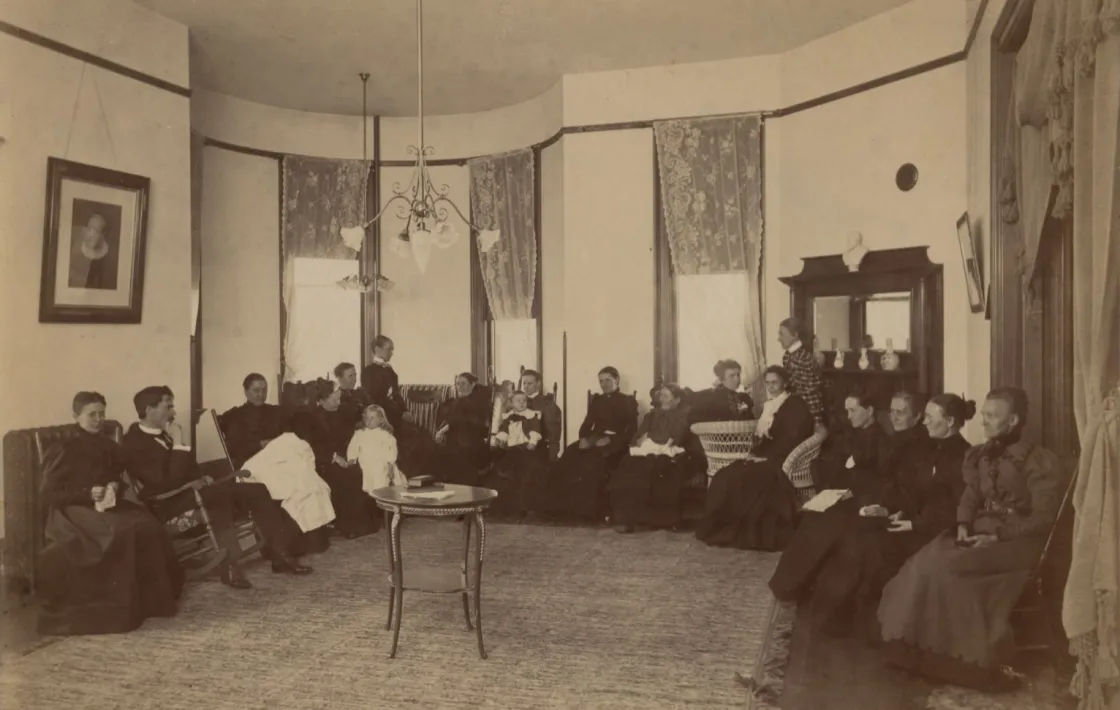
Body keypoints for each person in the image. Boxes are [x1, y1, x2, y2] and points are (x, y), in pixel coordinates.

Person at [877, 387, 1063, 692]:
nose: (984, 422)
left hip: (1018, 541)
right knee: (928, 558)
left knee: (951, 566)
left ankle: (966, 665)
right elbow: (970, 496)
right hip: (981, 530)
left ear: (1013, 420)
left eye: (992, 416)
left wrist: (998, 535)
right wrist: (963, 524)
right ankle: (918, 653)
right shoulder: (981, 454)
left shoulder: (1038, 460)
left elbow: (1043, 518)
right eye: (984, 415)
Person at [795, 394, 973, 639]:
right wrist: (894, 510)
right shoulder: (930, 449)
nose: (926, 422)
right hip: (911, 520)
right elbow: (914, 490)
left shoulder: (965, 457)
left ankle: (864, 625)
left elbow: (956, 506)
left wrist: (914, 522)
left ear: (950, 421)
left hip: (936, 531)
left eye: (930, 418)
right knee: (855, 535)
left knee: (869, 545)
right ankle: (835, 617)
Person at [121, 385, 311, 589]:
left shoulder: (164, 434)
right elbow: (165, 481)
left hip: (195, 492)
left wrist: (202, 477)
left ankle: (280, 554)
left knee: (257, 489)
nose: (173, 412)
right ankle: (229, 567)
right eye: (168, 407)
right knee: (218, 497)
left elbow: (187, 468)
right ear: (149, 410)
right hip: (168, 502)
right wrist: (178, 442)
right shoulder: (133, 442)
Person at [36, 392, 183, 636]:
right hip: (72, 510)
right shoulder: (64, 448)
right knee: (119, 531)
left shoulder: (108, 445)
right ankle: (117, 611)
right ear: (76, 416)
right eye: (91, 415)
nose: (98, 420)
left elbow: (116, 475)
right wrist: (85, 494)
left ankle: (153, 603)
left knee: (146, 523)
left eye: (101, 414)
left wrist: (114, 485)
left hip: (104, 504)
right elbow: (49, 493)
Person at [767, 390, 893, 602]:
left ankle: (800, 585)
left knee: (824, 523)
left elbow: (882, 480)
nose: (849, 415)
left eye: (853, 410)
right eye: (847, 411)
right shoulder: (853, 434)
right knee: (811, 516)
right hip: (845, 493)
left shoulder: (882, 441)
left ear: (869, 411)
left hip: (864, 500)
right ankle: (792, 584)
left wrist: (853, 492)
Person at [695, 366, 815, 550]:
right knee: (725, 475)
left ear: (785, 382)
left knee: (746, 479)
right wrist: (754, 453)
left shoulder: (795, 404)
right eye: (768, 383)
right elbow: (764, 438)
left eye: (775, 382)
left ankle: (741, 532)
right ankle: (719, 528)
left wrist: (766, 457)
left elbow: (793, 437)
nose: (771, 387)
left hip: (782, 457)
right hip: (766, 455)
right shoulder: (770, 405)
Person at [530, 366, 639, 520]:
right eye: (601, 381)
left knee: (592, 462)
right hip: (595, 439)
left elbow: (632, 430)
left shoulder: (628, 401)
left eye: (608, 380)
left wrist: (611, 439)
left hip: (615, 443)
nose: (604, 384)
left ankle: (586, 511)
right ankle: (560, 508)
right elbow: (587, 424)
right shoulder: (598, 400)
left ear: (617, 380)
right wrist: (583, 438)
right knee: (570, 454)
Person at [294, 379, 381, 538]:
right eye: (334, 399)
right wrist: (333, 457)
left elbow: (354, 433)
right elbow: (309, 446)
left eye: (339, 398)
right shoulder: (311, 417)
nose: (338, 402)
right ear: (321, 400)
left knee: (367, 467)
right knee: (347, 476)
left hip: (349, 453)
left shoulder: (343, 411)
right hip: (324, 461)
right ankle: (350, 525)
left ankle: (369, 519)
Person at [608, 383, 698, 533]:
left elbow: (676, 438)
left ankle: (658, 519)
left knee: (658, 467)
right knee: (628, 464)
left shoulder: (684, 416)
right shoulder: (651, 415)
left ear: (677, 400)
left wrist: (649, 437)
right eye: (660, 395)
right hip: (647, 451)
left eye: (666, 396)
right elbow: (636, 438)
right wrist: (642, 439)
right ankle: (625, 517)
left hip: (673, 453)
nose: (661, 398)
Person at [481, 391, 547, 519]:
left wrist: (533, 442)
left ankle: (505, 469)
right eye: (518, 401)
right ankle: (497, 500)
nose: (522, 403)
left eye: (524, 400)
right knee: (497, 455)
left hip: (526, 446)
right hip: (511, 446)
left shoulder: (531, 415)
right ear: (511, 403)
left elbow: (535, 430)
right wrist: (501, 439)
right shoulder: (509, 417)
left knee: (516, 455)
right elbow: (504, 431)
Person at [430, 373, 494, 485]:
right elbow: (450, 420)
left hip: (472, 439)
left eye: (463, 383)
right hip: (457, 438)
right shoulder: (456, 401)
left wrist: (441, 431)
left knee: (458, 454)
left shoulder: (477, 402)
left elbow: (459, 420)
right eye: (458, 384)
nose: (460, 386)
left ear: (473, 384)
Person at [218, 373, 287, 469]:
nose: (261, 394)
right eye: (256, 390)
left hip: (278, 459)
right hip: (252, 464)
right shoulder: (235, 416)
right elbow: (235, 449)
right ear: (246, 392)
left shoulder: (275, 411)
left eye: (264, 390)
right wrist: (260, 444)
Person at [778, 317, 826, 431]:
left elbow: (807, 393)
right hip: (796, 408)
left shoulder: (802, 357)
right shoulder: (788, 355)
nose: (778, 338)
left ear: (794, 336)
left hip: (807, 412)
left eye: (781, 334)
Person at [346, 404, 402, 495]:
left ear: (380, 420)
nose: (369, 421)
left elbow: (390, 451)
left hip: (381, 465)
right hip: (367, 465)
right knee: (370, 485)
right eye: (367, 418)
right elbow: (353, 447)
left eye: (372, 418)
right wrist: (352, 458)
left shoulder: (385, 435)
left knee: (381, 484)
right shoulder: (360, 434)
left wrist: (390, 466)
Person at [689, 359, 755, 423]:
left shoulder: (743, 397)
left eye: (738, 375)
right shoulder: (712, 396)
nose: (737, 379)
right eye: (732, 376)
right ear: (722, 379)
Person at [520, 369, 563, 461]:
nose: (525, 387)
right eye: (524, 383)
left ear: (538, 384)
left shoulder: (547, 404)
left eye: (529, 383)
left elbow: (553, 434)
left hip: (538, 447)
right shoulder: (519, 402)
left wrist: (552, 457)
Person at [68, 213, 118, 290]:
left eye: (97, 231)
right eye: (89, 228)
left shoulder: (111, 260)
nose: (90, 234)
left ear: (104, 234)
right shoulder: (73, 245)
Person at [335, 361, 372, 429]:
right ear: (340, 378)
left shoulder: (361, 394)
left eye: (355, 375)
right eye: (350, 376)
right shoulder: (336, 399)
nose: (354, 379)